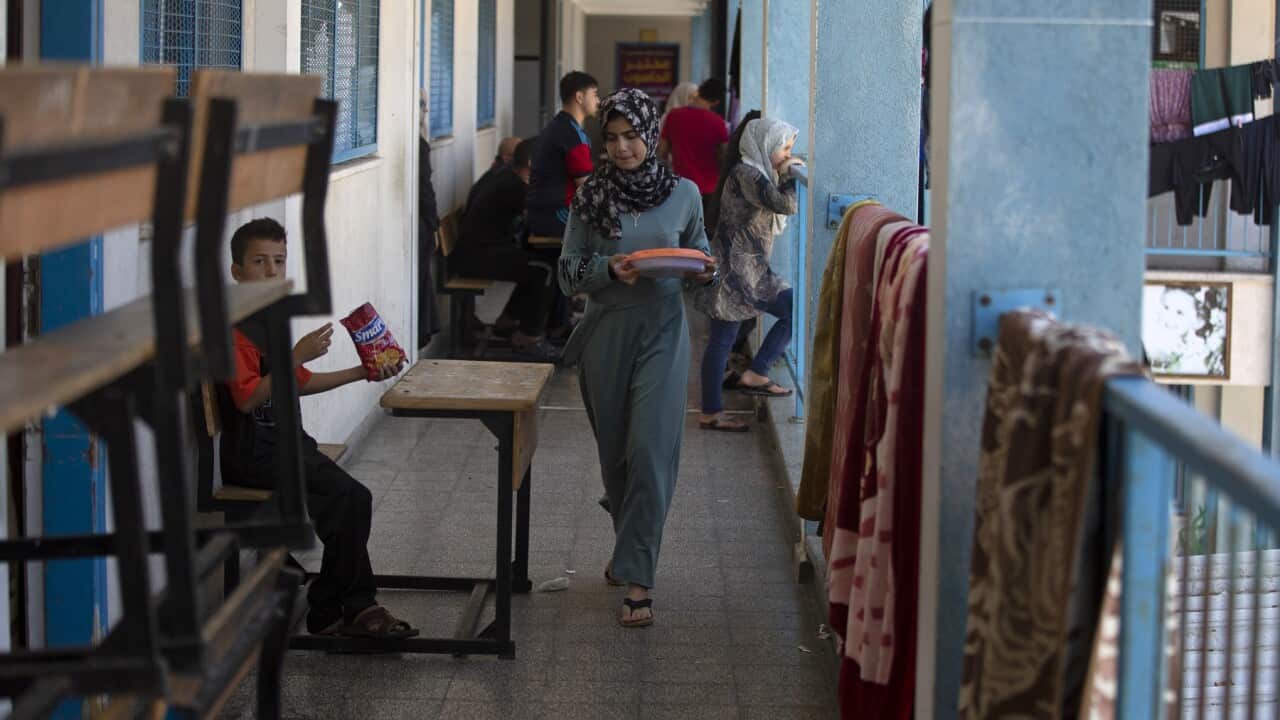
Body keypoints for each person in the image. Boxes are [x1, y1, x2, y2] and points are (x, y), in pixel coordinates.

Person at [558, 88, 719, 628]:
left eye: (632, 136)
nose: (623, 148)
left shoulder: (685, 194)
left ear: (650, 135)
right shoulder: (589, 197)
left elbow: (700, 253)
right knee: (618, 460)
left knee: (652, 451)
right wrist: (608, 271)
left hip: (664, 330)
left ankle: (638, 580)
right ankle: (630, 545)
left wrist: (706, 270)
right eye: (612, 138)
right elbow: (567, 272)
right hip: (606, 332)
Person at [220, 218, 418, 639]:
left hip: (287, 447)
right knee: (352, 499)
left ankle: (350, 605)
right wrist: (294, 355)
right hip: (255, 455)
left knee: (348, 503)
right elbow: (247, 398)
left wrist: (363, 373)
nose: (272, 272)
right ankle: (337, 604)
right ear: (236, 271)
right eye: (259, 262)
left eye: (279, 261)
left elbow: (301, 382)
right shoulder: (235, 329)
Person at [694, 117, 804, 432]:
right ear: (765, 146)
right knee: (722, 341)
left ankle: (757, 372)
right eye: (784, 148)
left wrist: (783, 169)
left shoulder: (751, 173)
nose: (787, 155)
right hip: (734, 272)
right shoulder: (747, 174)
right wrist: (788, 174)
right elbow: (786, 204)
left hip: (749, 269)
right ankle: (711, 412)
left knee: (792, 311)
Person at [455, 139, 559, 361]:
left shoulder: (507, 178)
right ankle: (529, 338)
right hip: (478, 257)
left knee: (539, 264)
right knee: (545, 269)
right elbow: (544, 218)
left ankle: (508, 320)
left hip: (480, 252)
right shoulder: (513, 186)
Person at [527, 71, 600, 238]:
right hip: (554, 215)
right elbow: (586, 187)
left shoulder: (559, 126)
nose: (598, 101)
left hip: (540, 214)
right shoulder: (571, 135)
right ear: (580, 97)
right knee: (609, 228)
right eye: (594, 94)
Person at [659, 78, 730, 234]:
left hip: (680, 187)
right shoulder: (718, 123)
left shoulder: (673, 116)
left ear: (699, 92)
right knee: (705, 235)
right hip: (709, 190)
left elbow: (662, 151)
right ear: (716, 101)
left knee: (682, 234)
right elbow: (724, 158)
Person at [465, 135, 523, 214]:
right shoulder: (504, 179)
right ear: (506, 158)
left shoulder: (494, 172)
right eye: (520, 157)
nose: (524, 161)